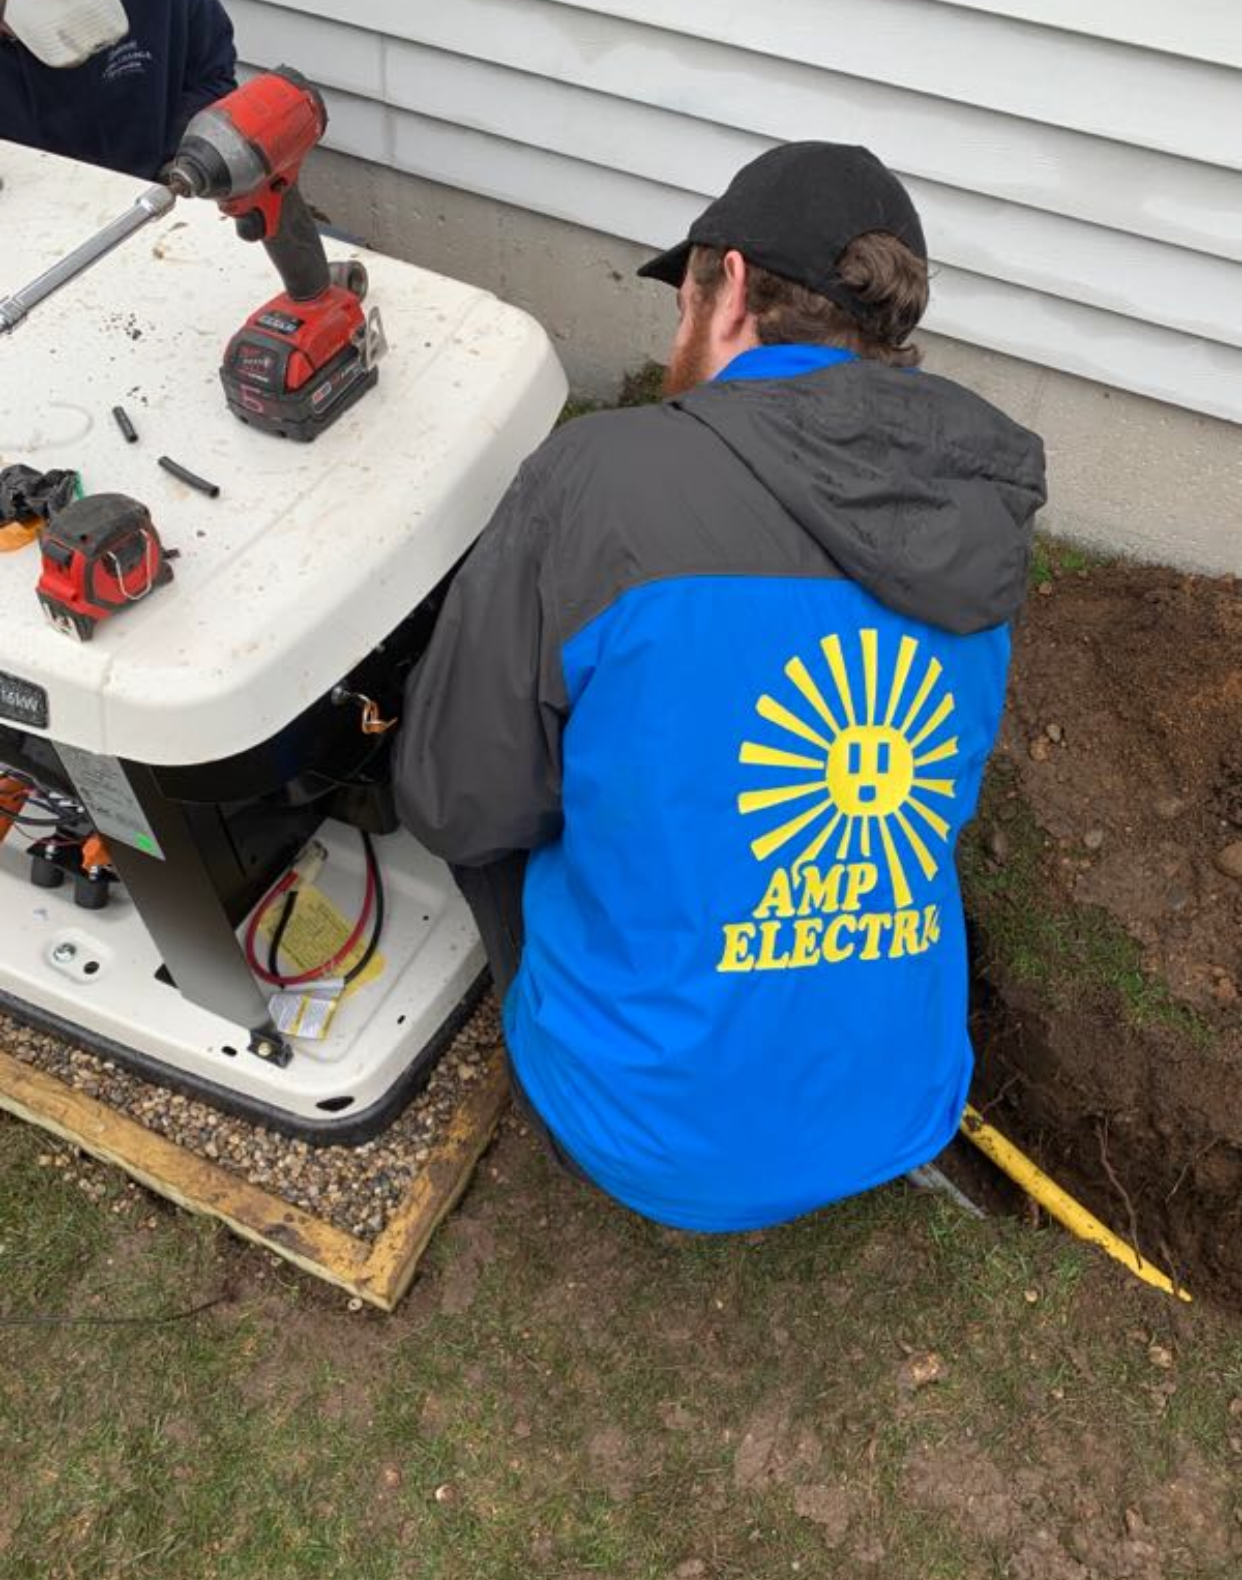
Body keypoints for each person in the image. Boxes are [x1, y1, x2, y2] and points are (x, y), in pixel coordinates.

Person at [394, 142, 1047, 1232]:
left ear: (730, 286)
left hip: (641, 1136)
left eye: (683, 295)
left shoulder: (599, 478)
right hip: (905, 1103)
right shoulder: (977, 507)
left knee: (482, 809)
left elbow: (460, 798)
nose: (673, 335)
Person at [0, 0, 236, 180]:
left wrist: (171, 168)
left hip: (147, 196)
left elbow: (213, 81)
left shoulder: (173, 8)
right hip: (31, 210)